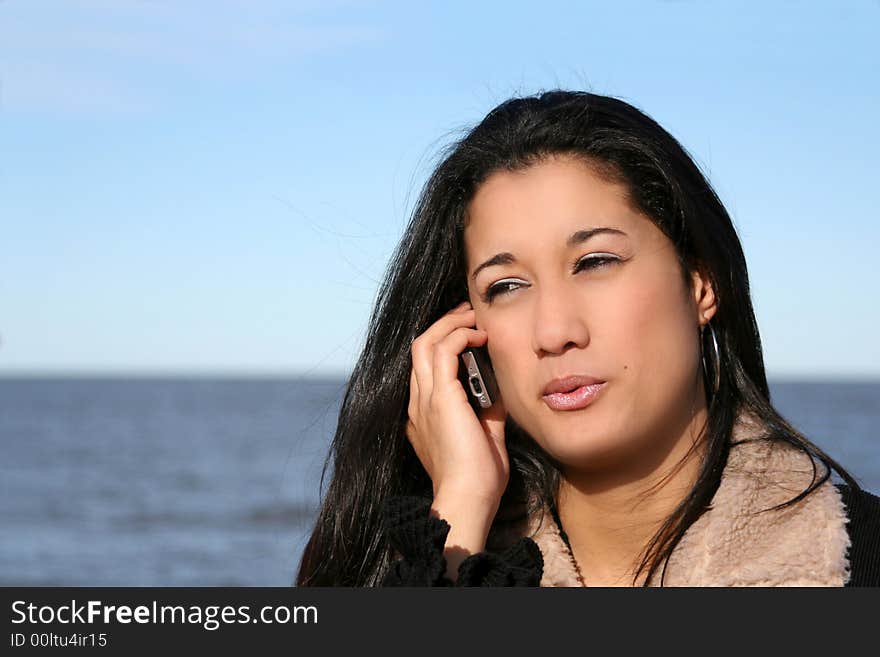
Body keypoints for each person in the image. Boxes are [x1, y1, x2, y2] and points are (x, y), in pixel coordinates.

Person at [295, 90, 880, 587]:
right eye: (507, 286)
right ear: (467, 336)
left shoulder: (860, 565)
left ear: (702, 283)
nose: (554, 333)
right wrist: (458, 521)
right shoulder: (395, 574)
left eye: (595, 262)